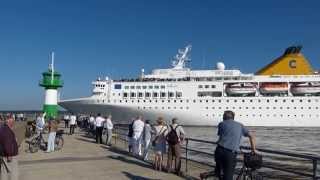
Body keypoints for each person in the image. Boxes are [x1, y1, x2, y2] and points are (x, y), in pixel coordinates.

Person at [215, 111, 256, 180]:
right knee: (228, 176)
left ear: (224, 117)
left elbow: (221, 137)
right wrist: (253, 150)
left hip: (219, 151)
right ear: (233, 117)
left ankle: (217, 173)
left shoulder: (221, 124)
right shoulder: (240, 125)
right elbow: (252, 136)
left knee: (219, 170)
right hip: (230, 154)